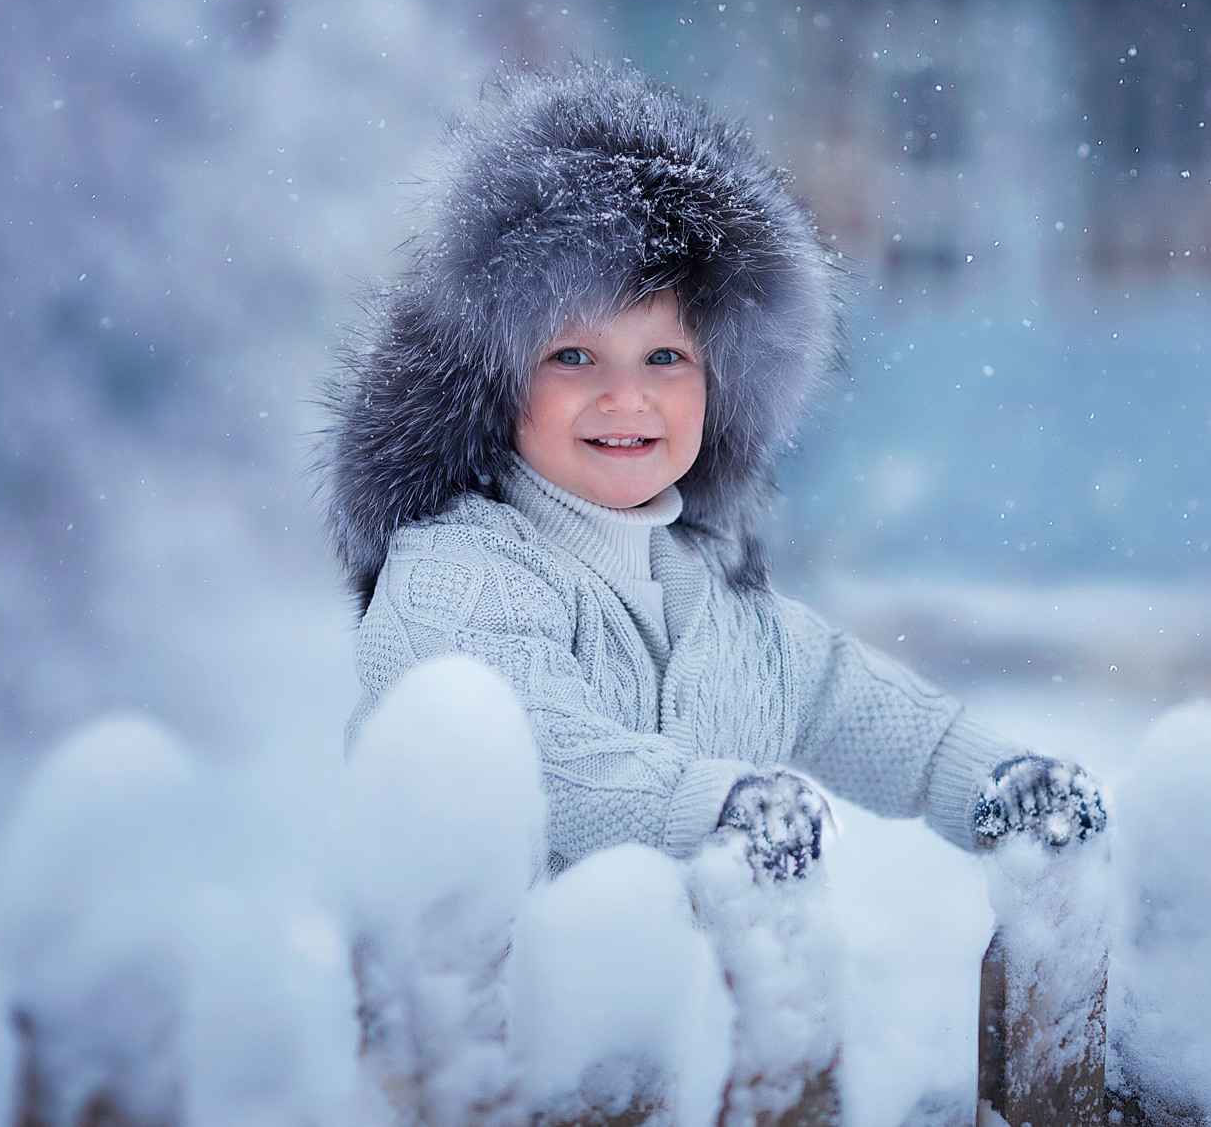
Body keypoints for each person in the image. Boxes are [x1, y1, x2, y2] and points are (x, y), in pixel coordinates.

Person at [324, 63, 1103, 880]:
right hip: (504, 993)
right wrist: (716, 808)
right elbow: (543, 753)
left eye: (665, 357)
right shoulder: (456, 576)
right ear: (496, 377)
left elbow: (850, 700)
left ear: (720, 387)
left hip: (694, 1001)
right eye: (573, 356)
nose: (625, 397)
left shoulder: (719, 603)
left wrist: (991, 781)